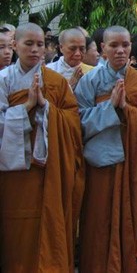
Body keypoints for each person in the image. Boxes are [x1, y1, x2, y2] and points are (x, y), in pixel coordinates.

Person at [75, 26, 137, 272]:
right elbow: (77, 123)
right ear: (102, 48)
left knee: (134, 221)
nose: (121, 50)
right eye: (113, 45)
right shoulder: (89, 81)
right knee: (99, 223)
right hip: (100, 164)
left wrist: (127, 110)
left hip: (135, 163)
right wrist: (110, 109)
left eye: (125, 45)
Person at [0, 23, 84, 272]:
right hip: (11, 175)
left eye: (40, 44)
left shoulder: (56, 82)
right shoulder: (3, 80)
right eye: (29, 44)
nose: (36, 50)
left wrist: (46, 107)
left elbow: (72, 122)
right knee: (14, 231)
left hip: (48, 170)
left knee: (47, 228)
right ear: (15, 45)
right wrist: (25, 107)